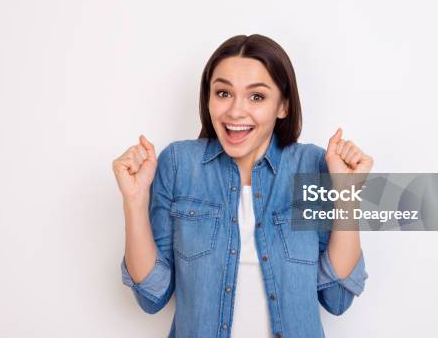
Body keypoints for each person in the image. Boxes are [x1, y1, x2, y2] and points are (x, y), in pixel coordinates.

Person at [112, 34, 373, 337]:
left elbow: (337, 298)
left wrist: (347, 193)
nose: (236, 111)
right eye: (223, 93)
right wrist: (134, 199)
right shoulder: (178, 164)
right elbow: (151, 296)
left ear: (283, 105)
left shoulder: (311, 166)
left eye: (256, 97)